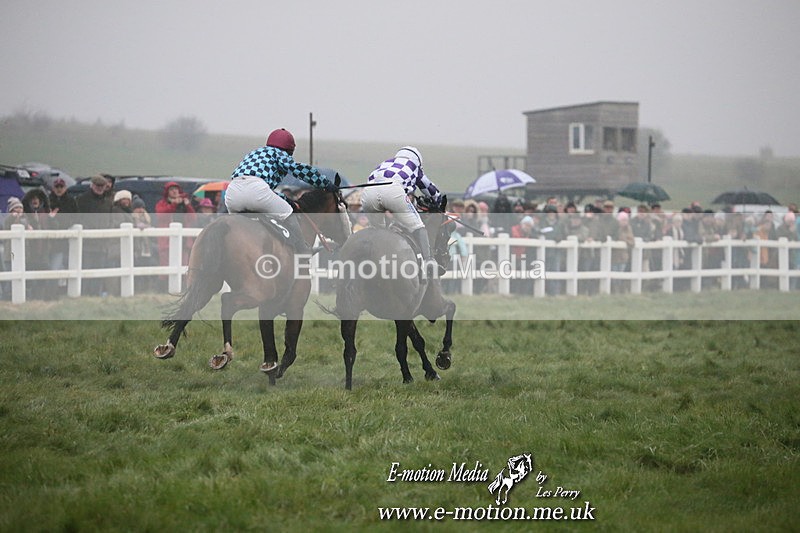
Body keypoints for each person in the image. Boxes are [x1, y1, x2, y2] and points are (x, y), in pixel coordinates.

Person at [225, 128, 335, 253]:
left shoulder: (254, 153)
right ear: (289, 150)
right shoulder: (278, 153)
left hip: (232, 192)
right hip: (256, 191)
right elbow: (298, 169)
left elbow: (260, 189)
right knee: (289, 212)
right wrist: (324, 182)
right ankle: (303, 249)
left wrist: (285, 198)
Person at [361, 146, 445, 275]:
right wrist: (437, 200)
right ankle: (429, 261)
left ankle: (370, 263)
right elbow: (429, 188)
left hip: (368, 192)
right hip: (392, 190)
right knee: (418, 226)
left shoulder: (385, 163)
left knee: (378, 233)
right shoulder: (413, 165)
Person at [155, 181, 196, 269]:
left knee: (183, 267)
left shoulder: (184, 204)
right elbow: (161, 215)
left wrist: (188, 206)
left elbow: (193, 218)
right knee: (166, 267)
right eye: (172, 190)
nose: (174, 191)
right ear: (167, 192)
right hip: (167, 242)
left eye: (176, 189)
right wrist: (174, 204)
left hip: (183, 241)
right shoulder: (162, 204)